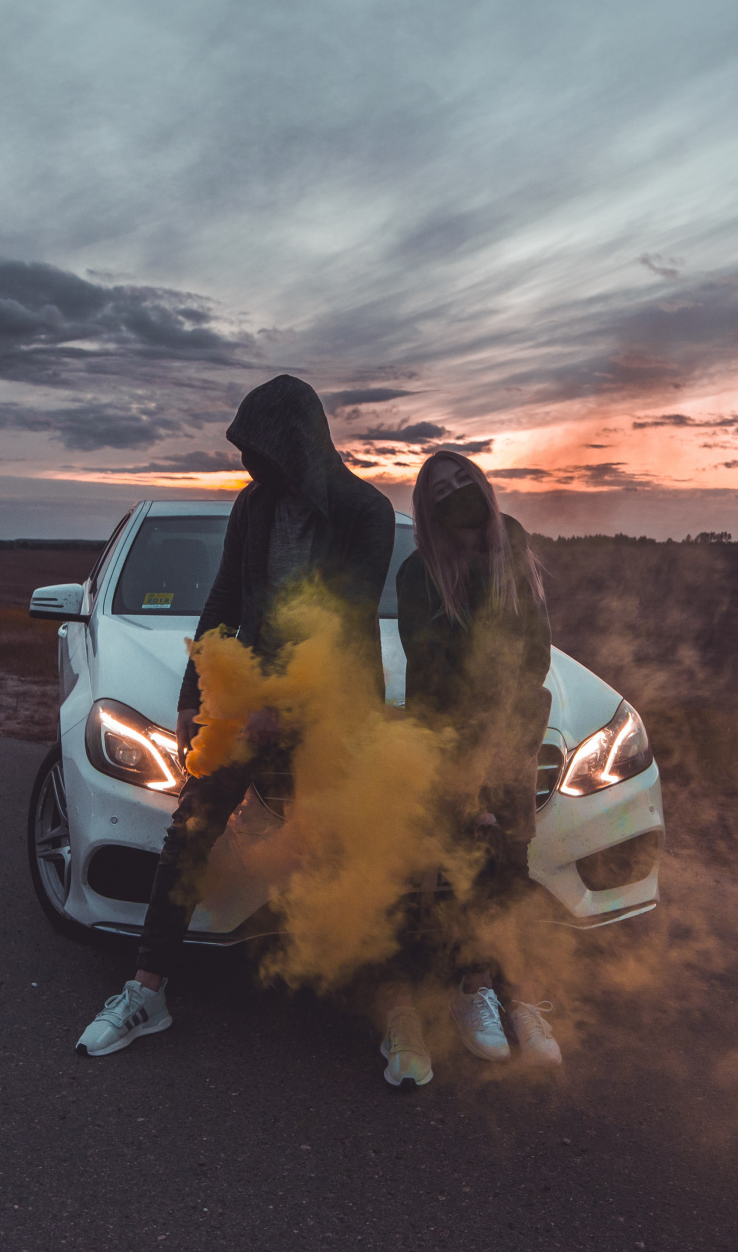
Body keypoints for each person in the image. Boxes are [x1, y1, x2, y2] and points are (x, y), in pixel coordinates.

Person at [77, 374, 395, 1056]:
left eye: (263, 448)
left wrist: (285, 710)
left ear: (297, 442)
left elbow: (345, 619)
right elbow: (223, 600)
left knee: (355, 845)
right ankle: (146, 992)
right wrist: (193, 696)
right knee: (191, 825)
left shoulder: (365, 511)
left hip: (337, 699)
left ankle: (396, 1004)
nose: (252, 463)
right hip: (248, 697)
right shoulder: (253, 508)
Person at [378, 451, 561, 1087]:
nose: (460, 493)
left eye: (465, 481)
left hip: (514, 736)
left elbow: (532, 658)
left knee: (511, 869)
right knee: (468, 860)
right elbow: (435, 683)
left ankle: (519, 997)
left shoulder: (511, 549)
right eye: (443, 490)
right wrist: (473, 780)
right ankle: (471, 986)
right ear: (427, 512)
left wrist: (506, 756)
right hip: (449, 743)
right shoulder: (417, 574)